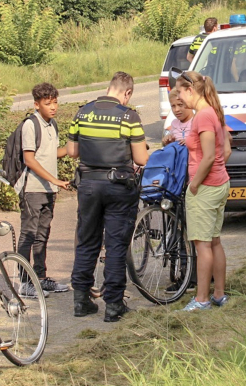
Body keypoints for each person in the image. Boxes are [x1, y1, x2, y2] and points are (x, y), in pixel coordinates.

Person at [67, 72, 149, 322]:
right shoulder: (129, 116)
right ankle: (113, 305)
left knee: (87, 240)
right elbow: (141, 159)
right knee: (115, 245)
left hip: (88, 185)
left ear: (108, 88)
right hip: (118, 188)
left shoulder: (82, 113)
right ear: (127, 93)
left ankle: (81, 300)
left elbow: (72, 152)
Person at [175, 71, 232, 311]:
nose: (178, 96)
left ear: (190, 90)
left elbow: (209, 155)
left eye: (179, 91)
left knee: (202, 245)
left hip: (206, 188)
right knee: (214, 242)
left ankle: (201, 299)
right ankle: (218, 294)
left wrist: (195, 183)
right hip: (219, 183)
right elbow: (225, 150)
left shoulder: (203, 116)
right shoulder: (213, 111)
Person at [18, 83, 71, 297]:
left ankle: (40, 278)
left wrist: (73, 147)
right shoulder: (30, 125)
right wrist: (55, 180)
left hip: (49, 190)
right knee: (28, 235)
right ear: (36, 104)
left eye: (55, 102)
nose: (53, 107)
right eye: (47, 103)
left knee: (43, 234)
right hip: (32, 189)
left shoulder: (52, 124)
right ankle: (24, 282)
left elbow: (52, 153)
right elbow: (29, 160)